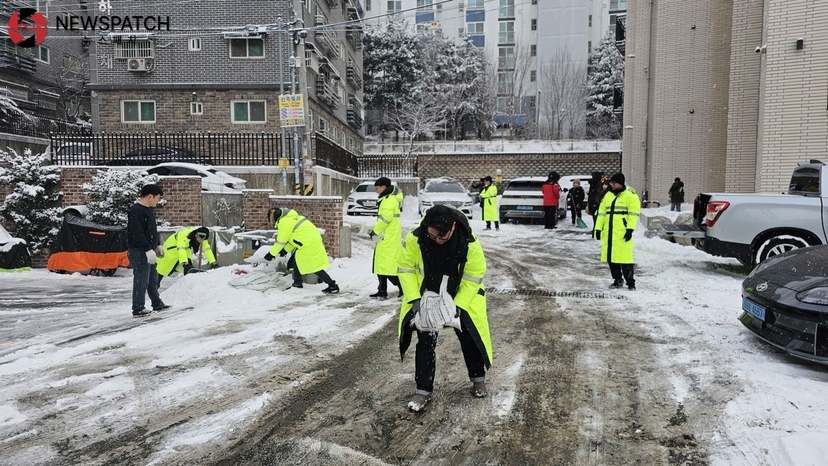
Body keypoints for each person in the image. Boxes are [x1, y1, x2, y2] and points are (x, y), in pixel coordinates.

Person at [397, 205, 492, 412]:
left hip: (460, 294)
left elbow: (474, 275)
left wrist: (458, 306)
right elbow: (405, 269)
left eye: (441, 237)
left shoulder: (469, 242)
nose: (437, 241)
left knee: (469, 336)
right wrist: (415, 299)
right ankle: (423, 390)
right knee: (425, 340)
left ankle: (478, 379)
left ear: (452, 227)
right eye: (432, 237)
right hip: (427, 295)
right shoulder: (417, 238)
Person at [263, 207, 339, 294]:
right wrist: (285, 250)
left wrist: (271, 254)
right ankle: (297, 283)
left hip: (307, 244)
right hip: (309, 242)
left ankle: (332, 285)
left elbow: (281, 241)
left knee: (313, 267)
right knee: (296, 262)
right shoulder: (291, 218)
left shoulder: (284, 223)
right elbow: (294, 238)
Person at [126, 184, 168, 317]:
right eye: (157, 198)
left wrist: (157, 245)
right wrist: (146, 249)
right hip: (139, 251)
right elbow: (137, 233)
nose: (158, 201)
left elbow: (151, 231)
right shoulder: (136, 211)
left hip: (149, 250)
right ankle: (138, 308)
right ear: (150, 196)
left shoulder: (148, 210)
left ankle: (157, 303)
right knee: (141, 280)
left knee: (152, 279)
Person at [595, 173, 641, 290]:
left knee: (625, 258)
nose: (612, 185)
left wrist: (630, 229)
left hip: (622, 231)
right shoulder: (608, 195)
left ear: (620, 183)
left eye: (614, 183)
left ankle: (630, 282)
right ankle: (617, 280)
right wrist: (598, 229)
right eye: (611, 183)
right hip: (609, 232)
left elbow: (633, 214)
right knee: (611, 258)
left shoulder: (630, 196)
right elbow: (601, 213)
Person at [369, 177, 403, 300]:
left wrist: (375, 231)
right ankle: (382, 290)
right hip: (386, 237)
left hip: (388, 238)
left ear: (383, 187)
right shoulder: (388, 199)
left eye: (377, 188)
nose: (376, 191)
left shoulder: (389, 200)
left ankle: (403, 288)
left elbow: (385, 219)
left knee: (388, 266)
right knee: (381, 265)